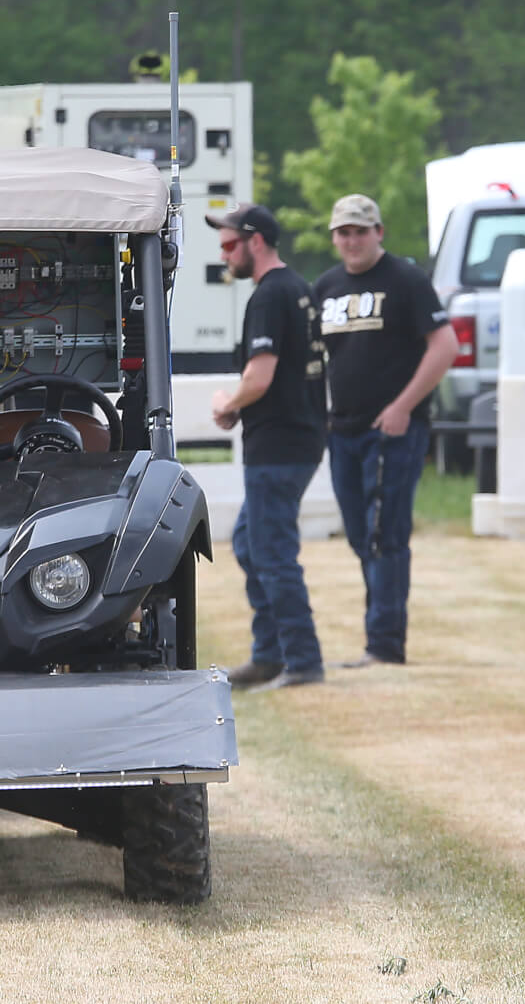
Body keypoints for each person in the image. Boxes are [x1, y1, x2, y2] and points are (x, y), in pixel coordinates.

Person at [311, 194, 455, 670]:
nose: (351, 240)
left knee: (385, 536)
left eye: (360, 231)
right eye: (343, 232)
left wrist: (402, 407)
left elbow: (444, 346)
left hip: (393, 431)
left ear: (379, 232)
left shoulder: (406, 281)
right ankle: (381, 629)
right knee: (358, 533)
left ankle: (385, 644)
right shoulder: (326, 288)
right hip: (344, 431)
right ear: (334, 237)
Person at [204, 204, 328, 691]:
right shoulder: (296, 288)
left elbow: (260, 375)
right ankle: (270, 655)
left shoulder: (270, 295)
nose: (224, 255)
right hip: (297, 437)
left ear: (256, 242)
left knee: (272, 552)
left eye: (230, 245)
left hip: (279, 443)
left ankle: (302, 661)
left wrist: (226, 404)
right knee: (248, 543)